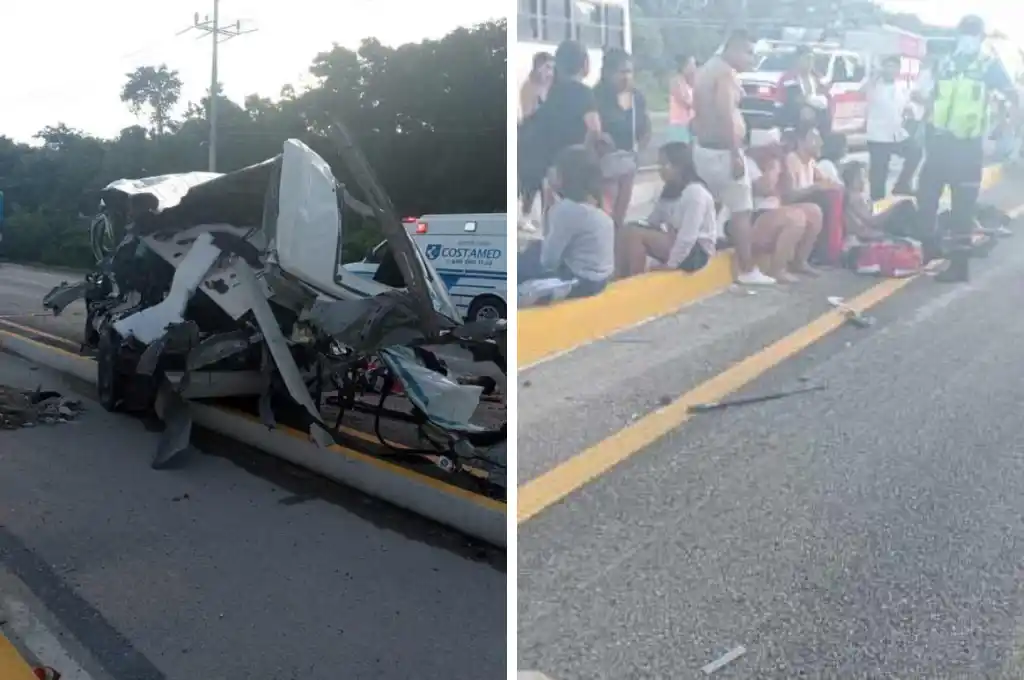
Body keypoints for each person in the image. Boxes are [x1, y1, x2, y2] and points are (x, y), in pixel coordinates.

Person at [914, 14, 1018, 282]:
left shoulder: (988, 65)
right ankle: (931, 247)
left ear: (982, 38)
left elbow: (1012, 95)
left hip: (967, 146)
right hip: (938, 143)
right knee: (925, 197)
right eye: (966, 31)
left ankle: (959, 267)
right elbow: (930, 95)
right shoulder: (946, 63)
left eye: (974, 33)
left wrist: (1005, 129)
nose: (969, 37)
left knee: (963, 208)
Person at [692, 30, 775, 285]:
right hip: (722, 150)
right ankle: (748, 269)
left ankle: (705, 247)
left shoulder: (707, 69)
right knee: (742, 211)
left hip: (705, 148)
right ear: (732, 49)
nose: (751, 59)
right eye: (748, 52)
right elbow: (726, 113)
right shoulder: (725, 74)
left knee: (713, 205)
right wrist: (737, 153)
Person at [518, 40, 602, 224]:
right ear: (585, 64)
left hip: (552, 162)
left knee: (554, 212)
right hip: (575, 165)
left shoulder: (553, 92)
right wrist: (586, 153)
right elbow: (595, 129)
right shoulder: (584, 93)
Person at [520, 144, 615, 298]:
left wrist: (549, 205)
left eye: (555, 168)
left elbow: (548, 261)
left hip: (580, 281)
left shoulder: (566, 210)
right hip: (600, 279)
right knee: (533, 248)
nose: (550, 172)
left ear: (566, 175)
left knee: (517, 269)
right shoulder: (594, 202)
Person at [616, 142, 716, 277]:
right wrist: (634, 225)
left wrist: (671, 265)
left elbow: (688, 237)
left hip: (696, 252)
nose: (660, 169)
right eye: (659, 165)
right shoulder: (670, 189)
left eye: (665, 164)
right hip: (676, 242)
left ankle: (635, 278)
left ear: (679, 166)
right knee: (627, 231)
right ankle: (620, 275)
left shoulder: (695, 193)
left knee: (636, 235)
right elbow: (653, 220)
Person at [746, 144, 823, 281]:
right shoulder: (748, 163)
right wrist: (772, 167)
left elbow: (786, 192)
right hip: (754, 215)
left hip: (774, 209)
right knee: (795, 218)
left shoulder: (778, 161)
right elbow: (764, 189)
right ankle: (777, 269)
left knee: (814, 212)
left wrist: (783, 167)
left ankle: (799, 262)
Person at [594, 48, 651, 231]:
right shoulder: (596, 96)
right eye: (621, 72)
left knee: (620, 215)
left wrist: (639, 151)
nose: (626, 77)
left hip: (628, 162)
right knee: (604, 212)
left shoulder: (637, 98)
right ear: (608, 72)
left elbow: (646, 127)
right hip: (602, 163)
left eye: (629, 72)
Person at [864, 55, 922, 201]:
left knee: (915, 152)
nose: (891, 70)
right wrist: (875, 76)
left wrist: (911, 111)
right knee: (879, 172)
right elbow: (862, 91)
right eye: (888, 66)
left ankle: (902, 184)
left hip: (896, 134)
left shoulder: (901, 87)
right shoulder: (874, 86)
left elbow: (906, 106)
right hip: (878, 136)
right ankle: (877, 202)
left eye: (894, 67)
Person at [780, 46, 831, 134]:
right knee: (806, 114)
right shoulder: (789, 78)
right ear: (798, 60)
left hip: (818, 117)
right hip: (793, 117)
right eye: (807, 58)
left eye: (812, 59)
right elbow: (793, 100)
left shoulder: (818, 78)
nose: (810, 62)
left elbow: (825, 98)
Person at [668, 54, 697, 143]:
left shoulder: (692, 82)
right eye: (692, 64)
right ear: (684, 66)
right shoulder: (676, 82)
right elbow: (684, 101)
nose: (694, 67)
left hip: (692, 124)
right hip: (679, 125)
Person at [520, 52, 554, 120]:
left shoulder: (553, 84)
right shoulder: (528, 87)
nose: (550, 72)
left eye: (552, 68)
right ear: (538, 67)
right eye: (547, 67)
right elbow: (528, 116)